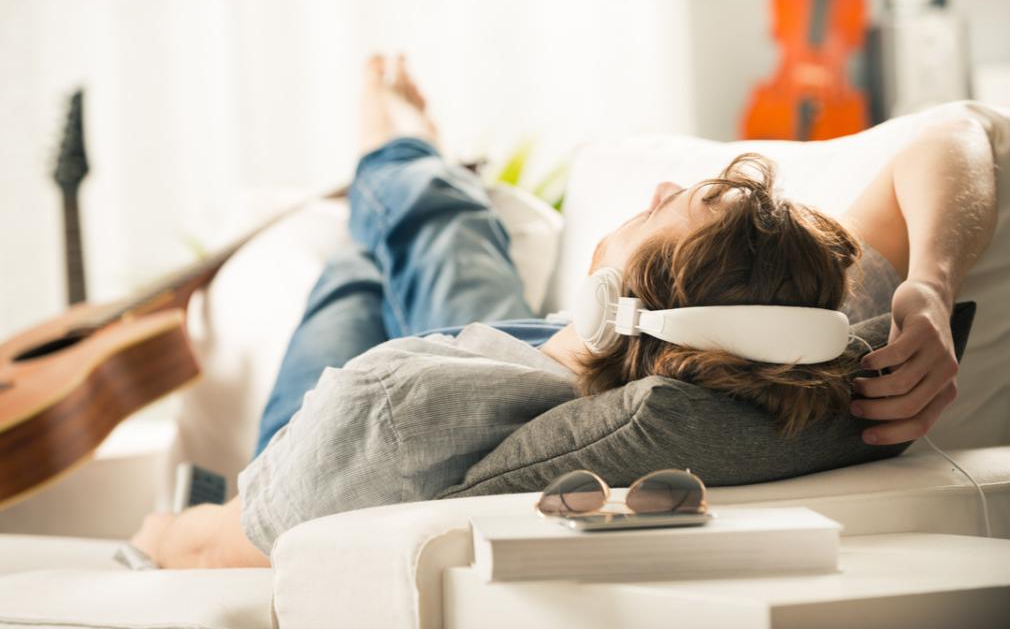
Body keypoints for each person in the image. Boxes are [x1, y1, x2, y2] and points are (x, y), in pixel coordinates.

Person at [131, 55, 998, 568]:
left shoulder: (389, 418)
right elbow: (956, 134)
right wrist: (928, 281)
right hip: (532, 353)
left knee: (371, 259)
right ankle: (398, 170)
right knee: (436, 235)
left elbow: (217, 543)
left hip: (376, 418)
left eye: (661, 209)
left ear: (613, 302)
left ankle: (390, 150)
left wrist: (158, 530)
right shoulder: (779, 340)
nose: (652, 189)